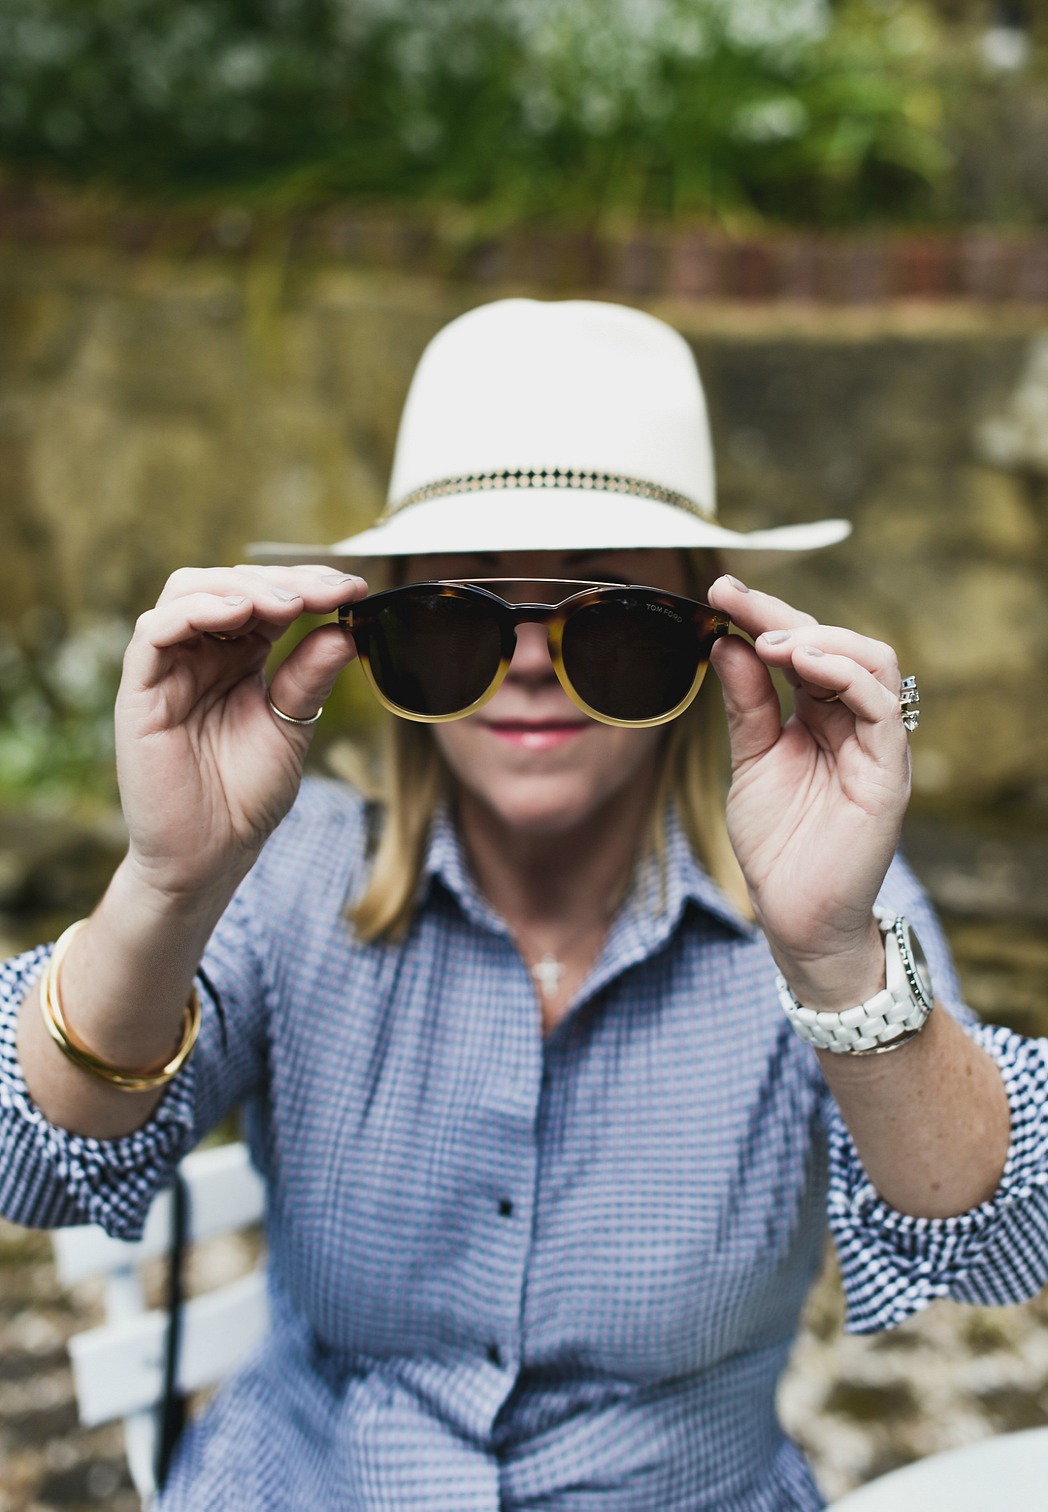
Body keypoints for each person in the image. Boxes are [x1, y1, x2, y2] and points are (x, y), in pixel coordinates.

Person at [1, 299, 1046, 1512]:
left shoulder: (830, 905)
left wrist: (829, 956)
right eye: (456, 620)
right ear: (372, 628)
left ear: (713, 636)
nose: (534, 660)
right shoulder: (288, 872)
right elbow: (32, 1166)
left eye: (610, 621)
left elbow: (995, 1243)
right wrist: (167, 884)